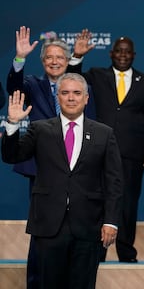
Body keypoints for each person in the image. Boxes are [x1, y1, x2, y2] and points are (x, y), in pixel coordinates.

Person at [1, 73, 123, 289]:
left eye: (77, 93)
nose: (71, 98)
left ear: (86, 98)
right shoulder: (40, 129)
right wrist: (12, 124)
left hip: (88, 225)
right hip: (48, 225)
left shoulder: (104, 134)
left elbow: (114, 182)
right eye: (65, 93)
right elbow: (12, 156)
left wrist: (111, 221)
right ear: (57, 98)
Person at [6, 26, 95, 289]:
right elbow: (14, 86)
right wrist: (20, 58)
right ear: (42, 62)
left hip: (76, 167)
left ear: (67, 61)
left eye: (60, 57)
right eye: (49, 58)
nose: (54, 61)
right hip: (41, 168)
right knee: (43, 230)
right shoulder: (32, 84)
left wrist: (78, 59)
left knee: (75, 229)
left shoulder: (78, 87)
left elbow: (77, 83)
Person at [67, 30, 144, 263]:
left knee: (128, 203)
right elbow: (70, 81)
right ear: (111, 54)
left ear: (134, 55)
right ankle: (97, 252)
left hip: (132, 153)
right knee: (98, 201)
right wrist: (76, 57)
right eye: (118, 51)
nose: (122, 55)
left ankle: (126, 252)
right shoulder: (96, 75)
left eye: (127, 52)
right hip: (98, 150)